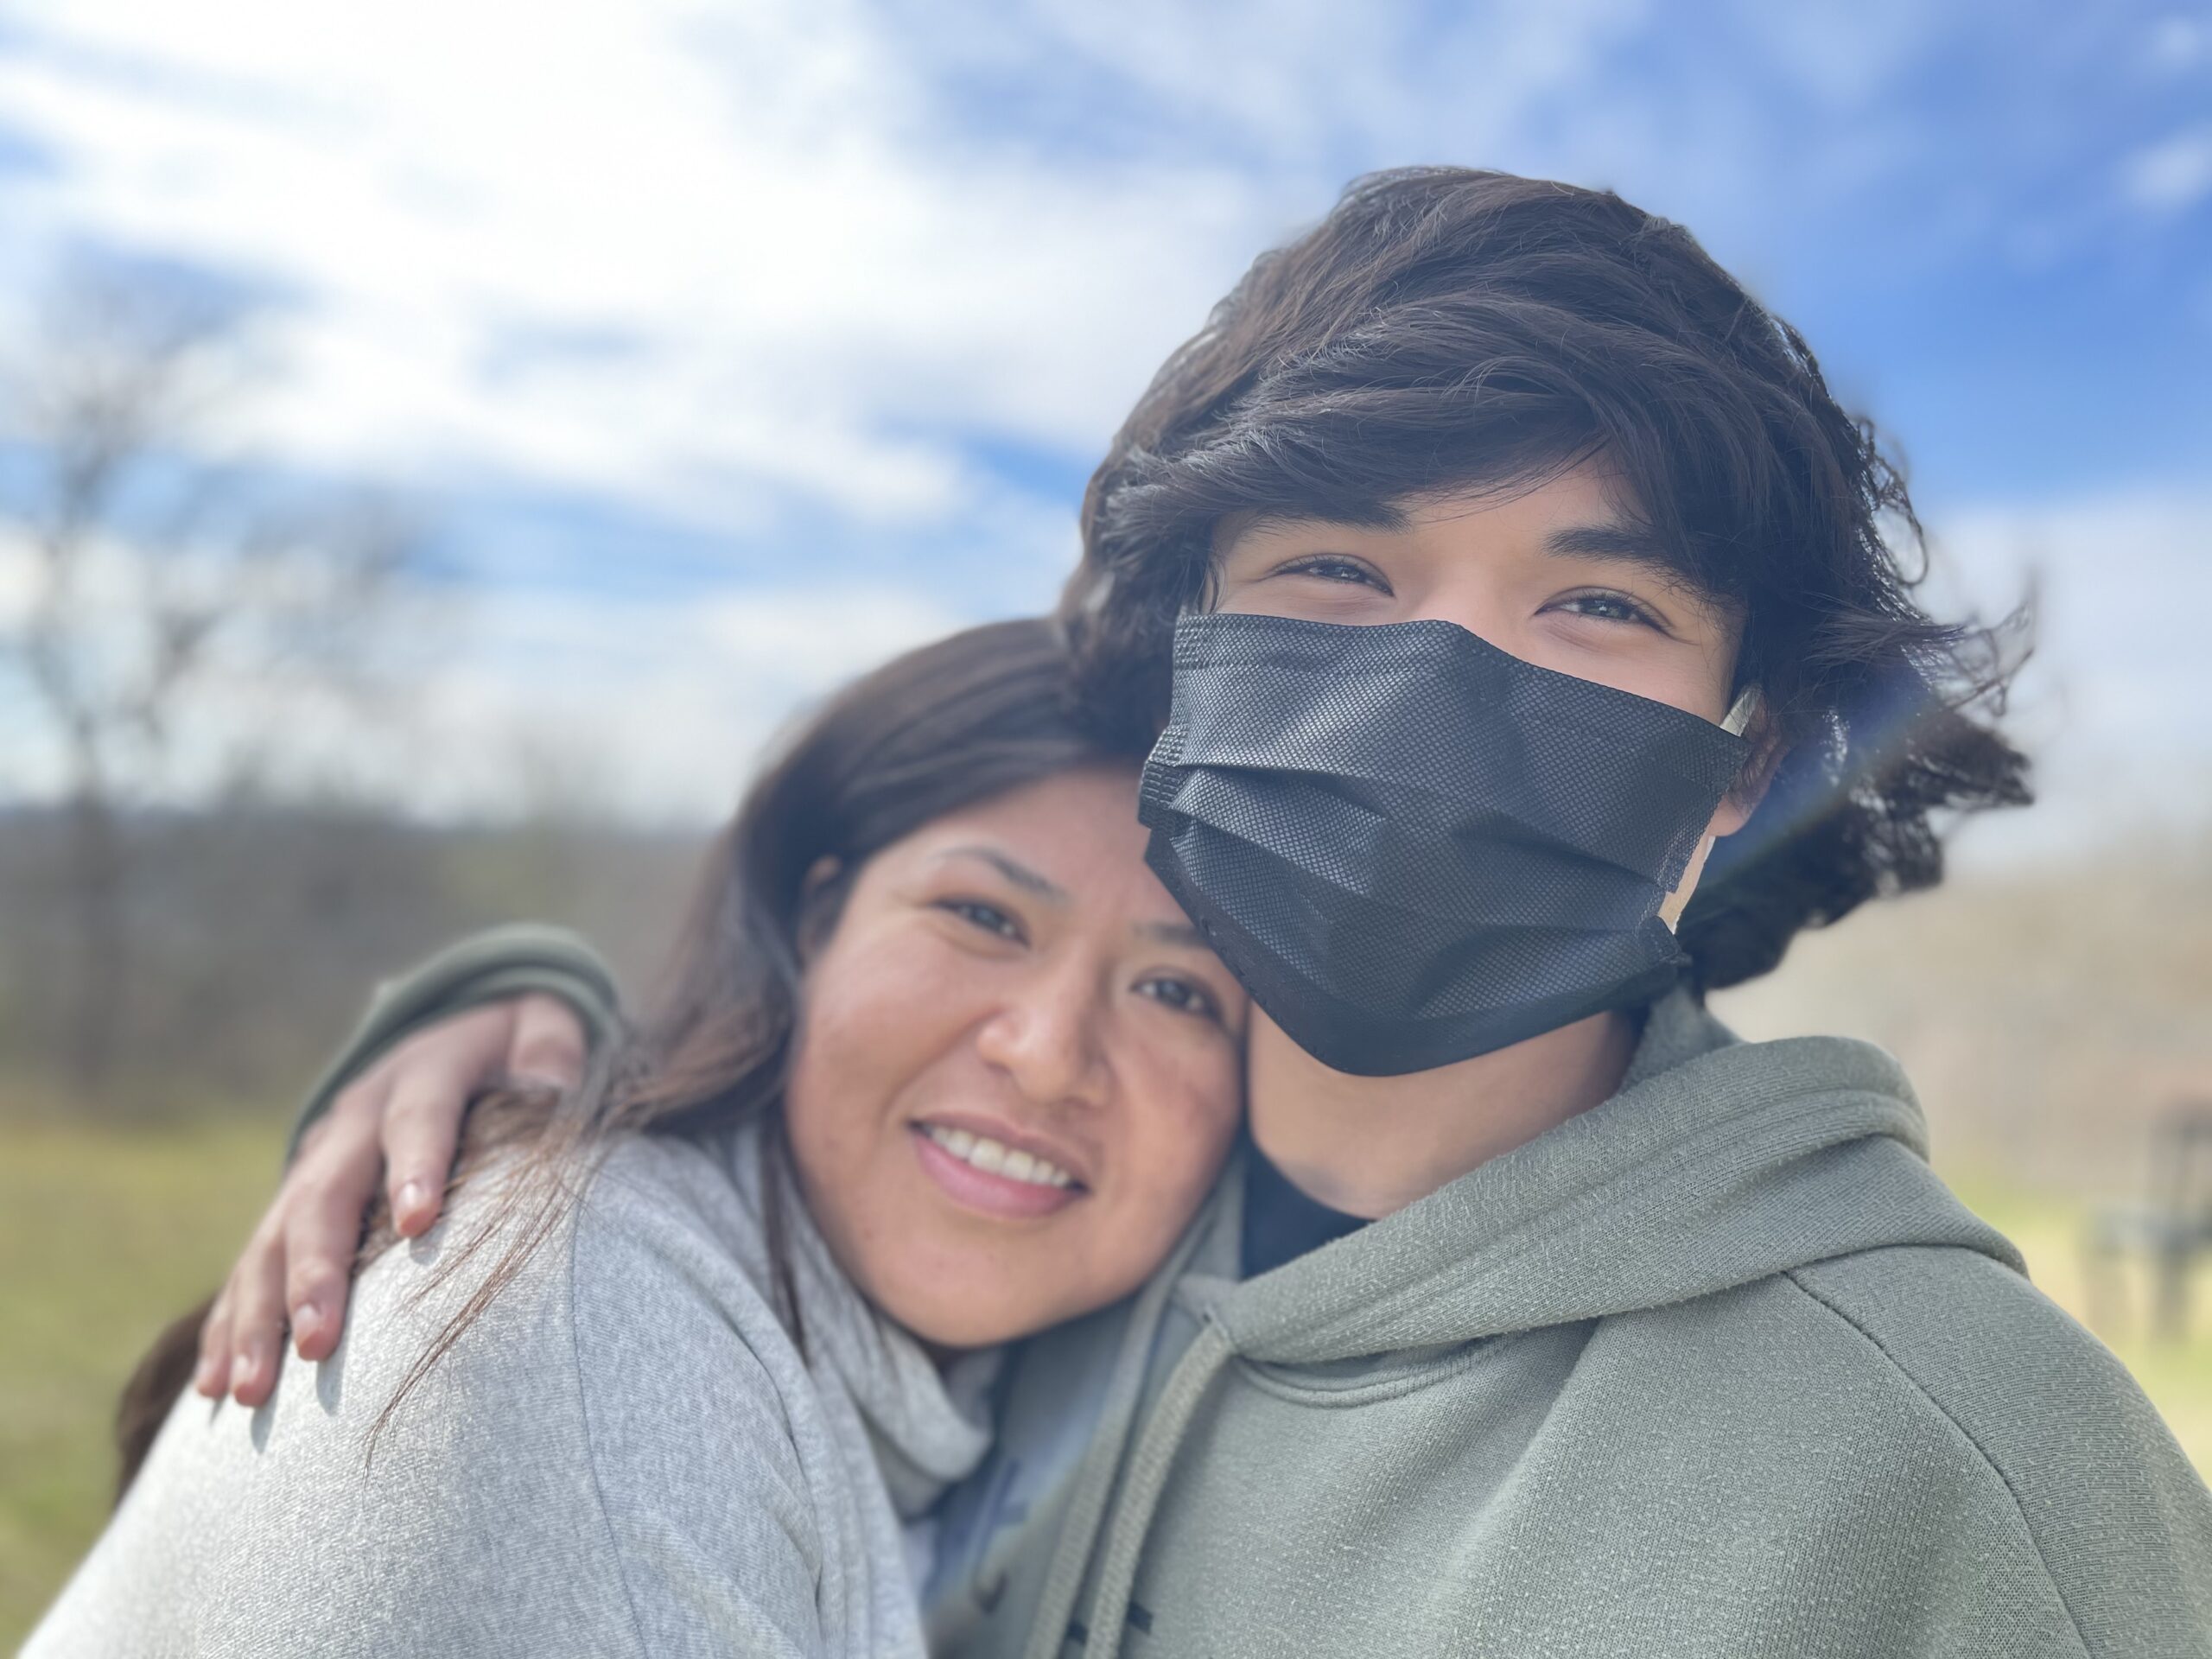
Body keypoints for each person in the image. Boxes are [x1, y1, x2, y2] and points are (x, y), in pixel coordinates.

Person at [197, 170, 2212, 1656]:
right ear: (1185, 669)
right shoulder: (1059, 1212)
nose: (1436, 691)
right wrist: (514, 1018)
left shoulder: (1966, 1465)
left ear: (1737, 773)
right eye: (1338, 571)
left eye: (1594, 604)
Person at [23, 619, 1253, 1657]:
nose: (1048, 1052)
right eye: (983, 916)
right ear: (815, 919)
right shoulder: (595, 1349)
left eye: (1179, 992)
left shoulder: (972, 1391)